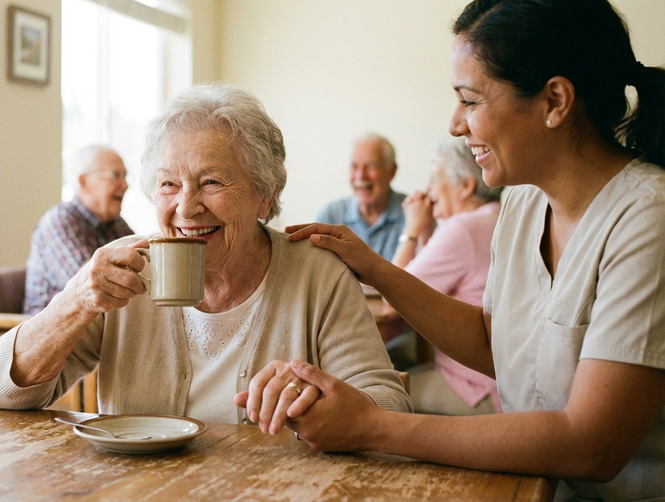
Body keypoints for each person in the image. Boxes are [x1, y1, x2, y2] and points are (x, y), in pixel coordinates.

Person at [235, 0, 665, 499]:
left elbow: (592, 445)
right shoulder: (524, 201)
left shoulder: (647, 219)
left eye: (470, 100)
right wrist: (376, 269)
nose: (456, 125)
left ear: (554, 102)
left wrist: (373, 426)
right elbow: (494, 344)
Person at [0, 82, 411, 424]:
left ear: (265, 196)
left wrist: (316, 396)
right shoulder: (127, 268)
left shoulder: (317, 274)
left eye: (211, 182)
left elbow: (389, 405)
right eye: (168, 184)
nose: (186, 207)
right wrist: (74, 303)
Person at [387, 138, 502, 415]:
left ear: (466, 186)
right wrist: (428, 230)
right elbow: (429, 285)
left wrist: (412, 230)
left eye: (436, 177)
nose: (428, 188)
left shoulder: (463, 228)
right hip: (500, 379)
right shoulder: (493, 216)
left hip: (476, 386)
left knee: (375, 391)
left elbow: (392, 296)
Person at [22, 145, 134, 315]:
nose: (125, 185)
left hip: (101, 324)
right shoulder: (60, 222)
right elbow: (91, 286)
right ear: (84, 182)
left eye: (125, 176)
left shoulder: (116, 223)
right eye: (116, 175)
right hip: (56, 331)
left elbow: (143, 268)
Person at [314, 133, 406, 261]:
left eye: (371, 166)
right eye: (354, 166)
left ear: (392, 171)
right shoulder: (330, 216)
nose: (361, 176)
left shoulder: (415, 214)